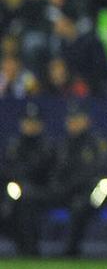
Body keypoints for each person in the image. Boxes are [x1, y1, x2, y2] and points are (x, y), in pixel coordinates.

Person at [50, 106, 107, 257]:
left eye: (77, 120)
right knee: (29, 198)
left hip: (94, 194)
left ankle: (71, 251)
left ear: (86, 121)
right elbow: (55, 172)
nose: (73, 124)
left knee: (80, 205)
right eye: (71, 120)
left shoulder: (97, 144)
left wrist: (72, 186)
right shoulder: (62, 145)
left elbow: (98, 172)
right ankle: (29, 251)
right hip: (66, 191)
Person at [2, 103, 56, 256]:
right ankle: (21, 245)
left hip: (41, 193)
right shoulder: (14, 145)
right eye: (27, 122)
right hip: (14, 191)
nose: (30, 126)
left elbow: (43, 171)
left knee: (26, 199)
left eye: (34, 122)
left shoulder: (47, 146)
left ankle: (30, 249)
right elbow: (7, 170)